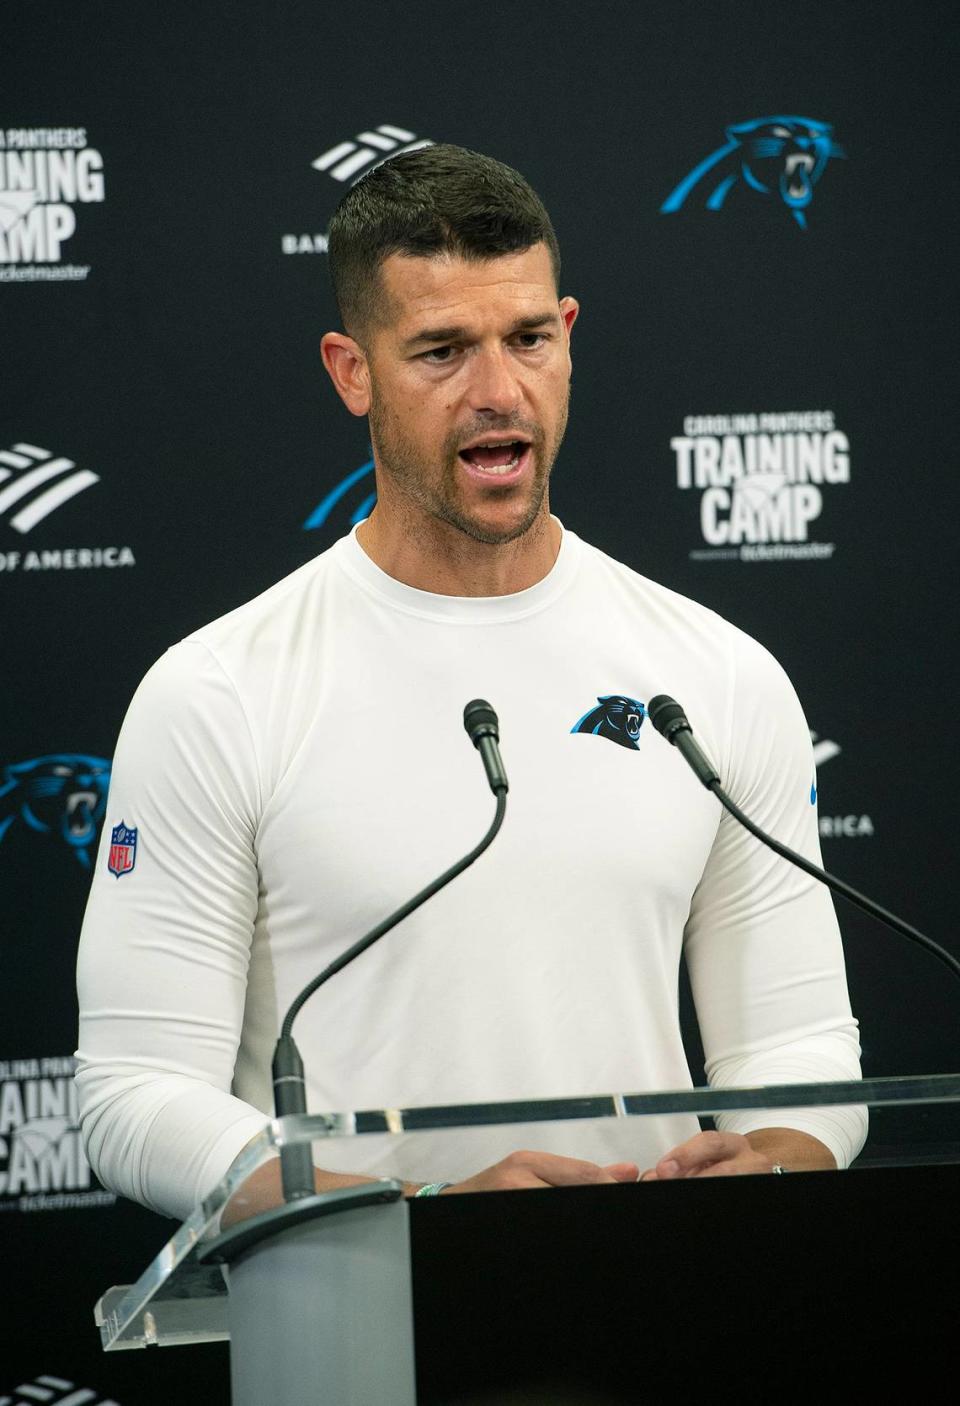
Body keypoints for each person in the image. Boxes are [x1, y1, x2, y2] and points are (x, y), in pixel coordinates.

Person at [75, 145, 865, 1224]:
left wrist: (777, 1159)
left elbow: (795, 1043)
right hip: (361, 1343)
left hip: (671, 1320)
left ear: (569, 338)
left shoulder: (716, 674)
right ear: (352, 371)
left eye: (529, 339)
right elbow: (134, 1092)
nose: (499, 392)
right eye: (441, 350)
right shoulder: (220, 691)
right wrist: (423, 1210)